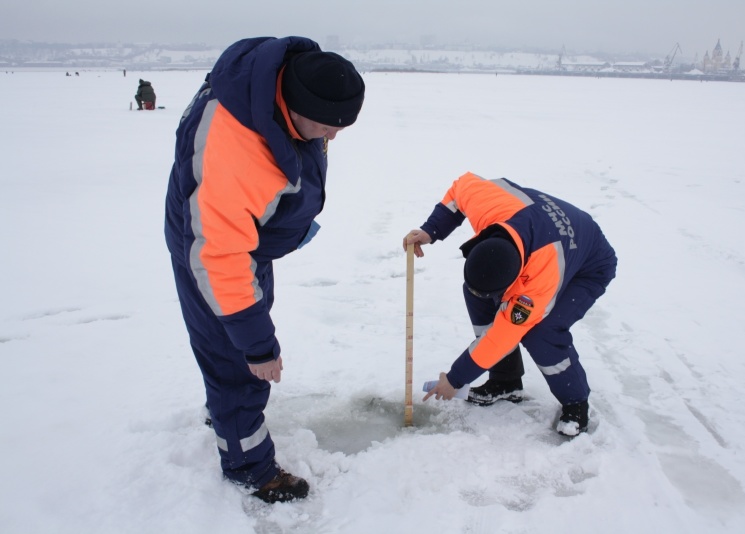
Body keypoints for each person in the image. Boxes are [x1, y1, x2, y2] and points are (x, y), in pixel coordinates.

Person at [164, 37, 365, 503]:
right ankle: (249, 467)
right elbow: (219, 257)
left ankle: (226, 411)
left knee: (237, 345)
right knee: (238, 361)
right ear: (294, 106)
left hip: (243, 240)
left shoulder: (282, 83)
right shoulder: (232, 150)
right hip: (214, 251)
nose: (332, 138)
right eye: (326, 127)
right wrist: (257, 348)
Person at [403, 172, 617, 436]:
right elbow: (460, 189)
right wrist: (430, 230)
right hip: (541, 233)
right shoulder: (485, 204)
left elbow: (501, 337)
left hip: (587, 264)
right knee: (477, 292)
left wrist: (456, 378)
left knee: (542, 333)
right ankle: (506, 383)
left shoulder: (537, 284)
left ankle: (575, 403)